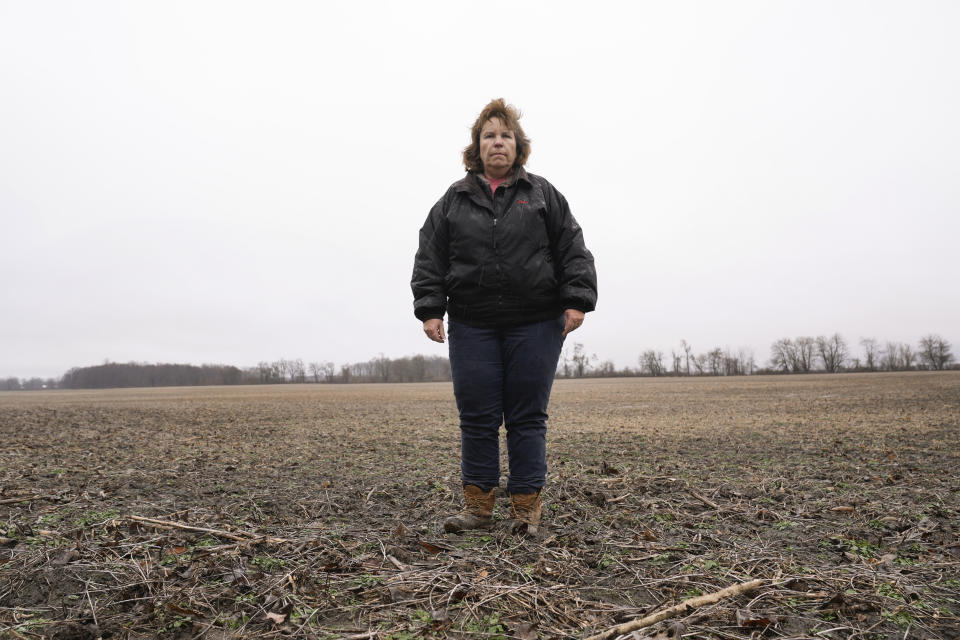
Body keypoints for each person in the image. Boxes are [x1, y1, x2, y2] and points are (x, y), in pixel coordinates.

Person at [411, 98, 597, 536]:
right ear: (477, 147)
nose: (498, 143)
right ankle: (478, 508)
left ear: (518, 146)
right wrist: (430, 309)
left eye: (506, 136)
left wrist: (577, 300)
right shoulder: (452, 201)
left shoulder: (543, 195)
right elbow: (430, 258)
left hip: (535, 323)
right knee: (476, 416)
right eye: (490, 136)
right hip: (473, 325)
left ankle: (525, 510)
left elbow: (573, 249)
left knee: (527, 416)